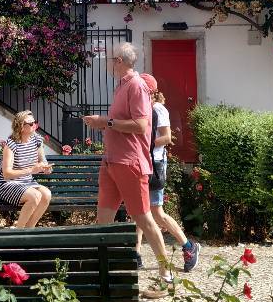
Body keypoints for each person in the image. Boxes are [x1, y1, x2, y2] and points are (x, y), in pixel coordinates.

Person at [82, 42, 196, 289]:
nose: (107, 63)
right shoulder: (122, 85)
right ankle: (102, 272)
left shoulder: (136, 86)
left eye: (110, 59)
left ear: (119, 61)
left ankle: (165, 273)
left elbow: (141, 125)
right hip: (111, 161)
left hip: (130, 162)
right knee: (103, 220)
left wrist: (106, 122)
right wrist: (106, 123)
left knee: (144, 219)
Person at [135, 73, 201, 273]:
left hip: (154, 164)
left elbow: (166, 138)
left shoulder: (158, 110)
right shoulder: (141, 109)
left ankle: (188, 246)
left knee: (156, 212)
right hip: (141, 163)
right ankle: (136, 254)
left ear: (149, 92)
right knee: (138, 210)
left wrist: (144, 145)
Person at [0, 110, 53, 228]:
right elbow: (7, 174)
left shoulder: (36, 140)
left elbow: (43, 161)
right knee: (35, 196)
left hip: (26, 182)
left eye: (34, 122)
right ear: (21, 127)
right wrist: (31, 170)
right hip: (7, 184)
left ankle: (29, 230)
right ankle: (19, 233)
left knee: (46, 194)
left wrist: (46, 168)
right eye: (30, 124)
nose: (34, 125)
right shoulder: (11, 145)